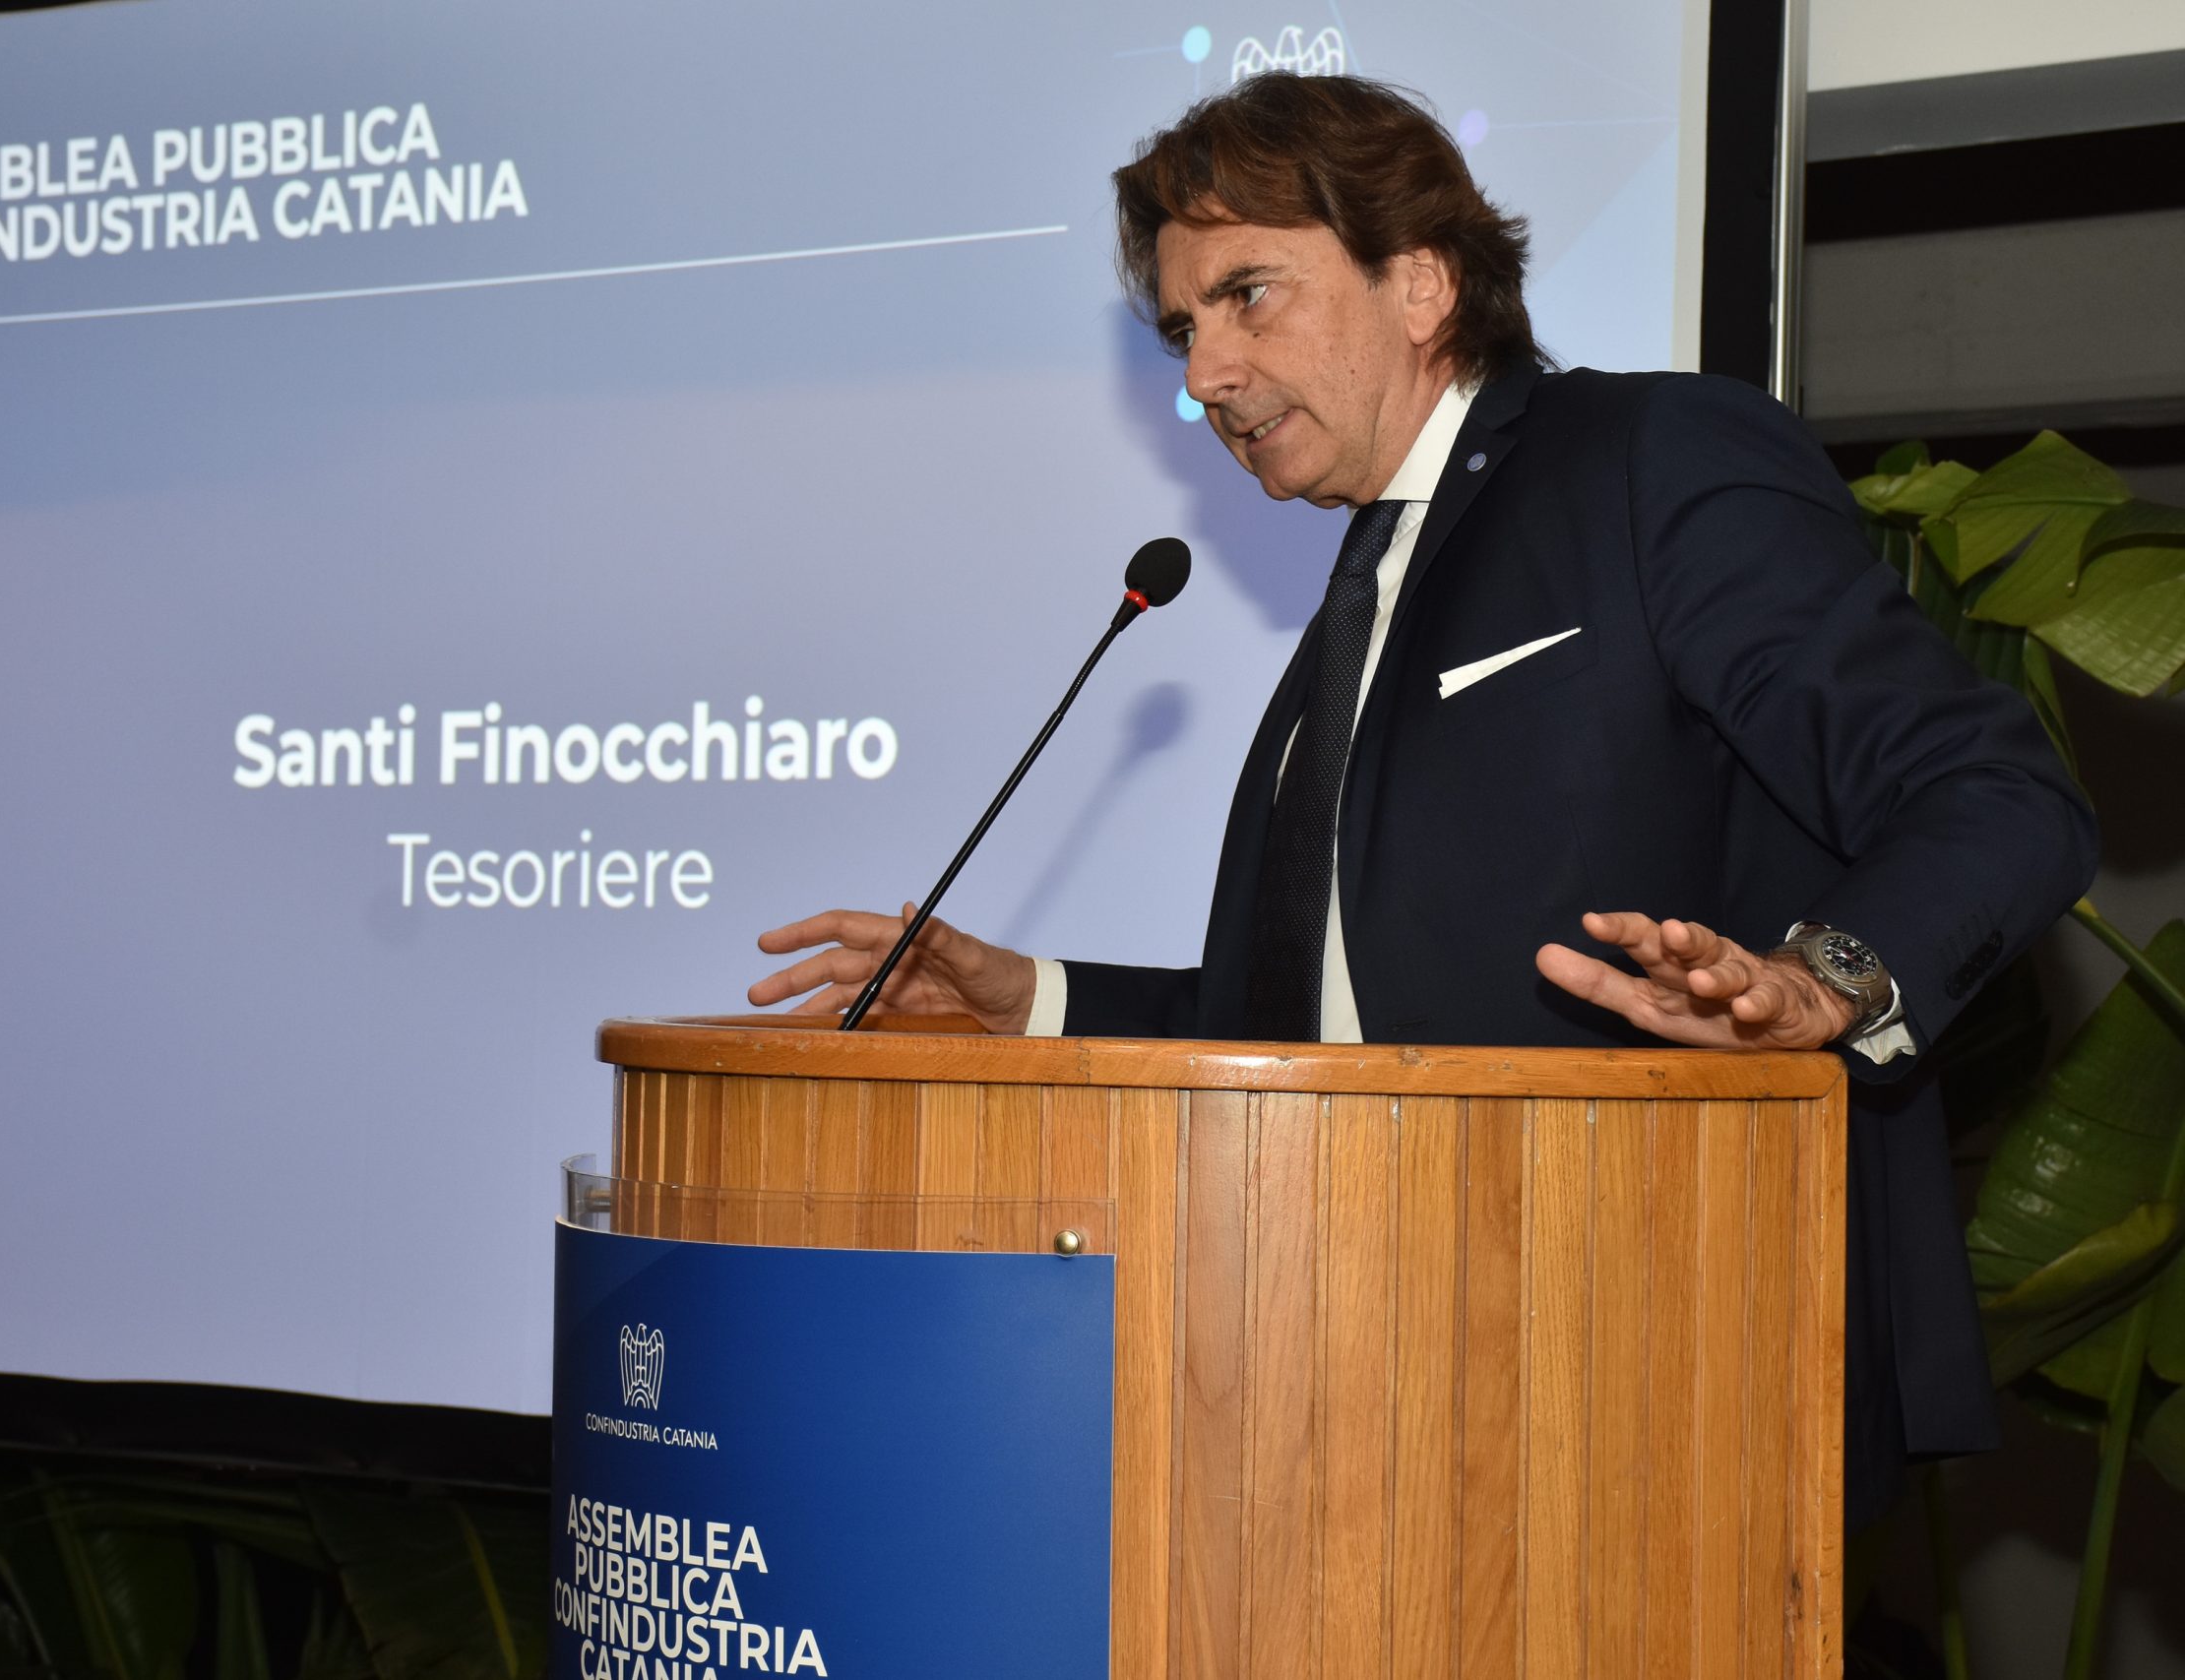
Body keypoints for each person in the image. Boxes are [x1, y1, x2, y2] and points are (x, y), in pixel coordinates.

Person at [747, 73, 2095, 1520]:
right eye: (1184, 330)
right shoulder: (1362, 593)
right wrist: (1037, 1003)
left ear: (1423, 284)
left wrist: (1820, 981)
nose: (1205, 377)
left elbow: (1998, 790)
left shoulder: (1646, 462)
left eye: (1248, 296)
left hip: (1655, 1364)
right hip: (1351, 1366)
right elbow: (1335, 1019)